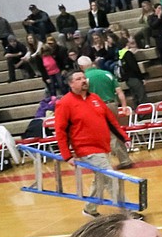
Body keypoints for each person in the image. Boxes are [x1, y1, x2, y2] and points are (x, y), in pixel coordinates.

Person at [54, 70, 132, 216]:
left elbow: (111, 121)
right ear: (71, 84)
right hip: (86, 149)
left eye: (84, 78)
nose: (84, 81)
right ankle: (129, 211)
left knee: (100, 179)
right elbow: (60, 131)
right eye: (79, 79)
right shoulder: (65, 103)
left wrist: (124, 138)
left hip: (103, 147)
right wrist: (67, 155)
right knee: (110, 177)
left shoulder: (95, 98)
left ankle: (89, 209)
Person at [78, 55, 133, 169]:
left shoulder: (85, 79)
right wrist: (123, 106)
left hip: (98, 107)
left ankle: (123, 160)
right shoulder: (107, 73)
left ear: (81, 66)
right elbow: (119, 91)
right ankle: (123, 157)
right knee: (116, 131)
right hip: (113, 104)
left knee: (109, 135)